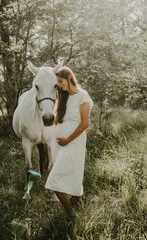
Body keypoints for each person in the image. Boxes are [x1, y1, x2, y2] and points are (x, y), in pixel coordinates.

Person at [45, 66, 93, 218]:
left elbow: (85, 124)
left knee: (56, 178)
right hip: (58, 143)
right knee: (68, 172)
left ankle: (71, 214)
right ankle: (76, 203)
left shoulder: (83, 96)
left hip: (74, 141)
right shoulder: (62, 97)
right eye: (57, 82)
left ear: (69, 78)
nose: (59, 85)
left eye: (60, 81)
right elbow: (57, 121)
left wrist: (67, 140)